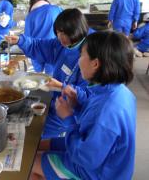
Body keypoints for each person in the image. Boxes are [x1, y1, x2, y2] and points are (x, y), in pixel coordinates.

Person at [30, 31, 136, 180]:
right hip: (97, 153)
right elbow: (92, 117)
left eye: (81, 55)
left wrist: (67, 118)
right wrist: (77, 106)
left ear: (95, 63)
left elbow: (85, 159)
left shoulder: (109, 111)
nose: (79, 61)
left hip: (97, 172)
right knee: (37, 145)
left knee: (30, 163)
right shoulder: (116, 90)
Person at [6, 8, 89, 139]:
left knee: (36, 134)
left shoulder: (89, 53)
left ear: (76, 31)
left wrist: (62, 86)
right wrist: (20, 40)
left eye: (64, 34)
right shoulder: (60, 44)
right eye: (58, 33)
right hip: (54, 99)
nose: (60, 38)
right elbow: (39, 46)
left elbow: (87, 96)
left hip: (70, 112)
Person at [24, 0, 63, 75]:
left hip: (37, 50)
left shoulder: (30, 16)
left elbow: (27, 38)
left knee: (39, 76)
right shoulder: (57, 9)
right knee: (52, 76)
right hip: (54, 49)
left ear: (31, 2)